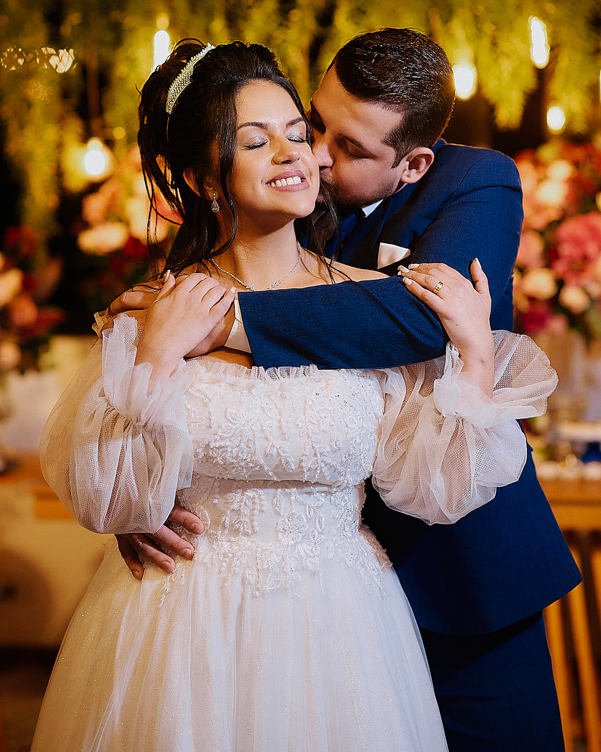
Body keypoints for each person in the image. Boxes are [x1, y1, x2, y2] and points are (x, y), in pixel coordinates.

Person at [32, 40, 556, 752]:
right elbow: (117, 459)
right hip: (191, 612)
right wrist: (138, 497)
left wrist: (229, 321)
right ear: (207, 177)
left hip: (417, 588)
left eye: (337, 144)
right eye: (309, 127)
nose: (313, 156)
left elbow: (413, 323)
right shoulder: (172, 300)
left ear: (411, 165)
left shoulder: (471, 185)